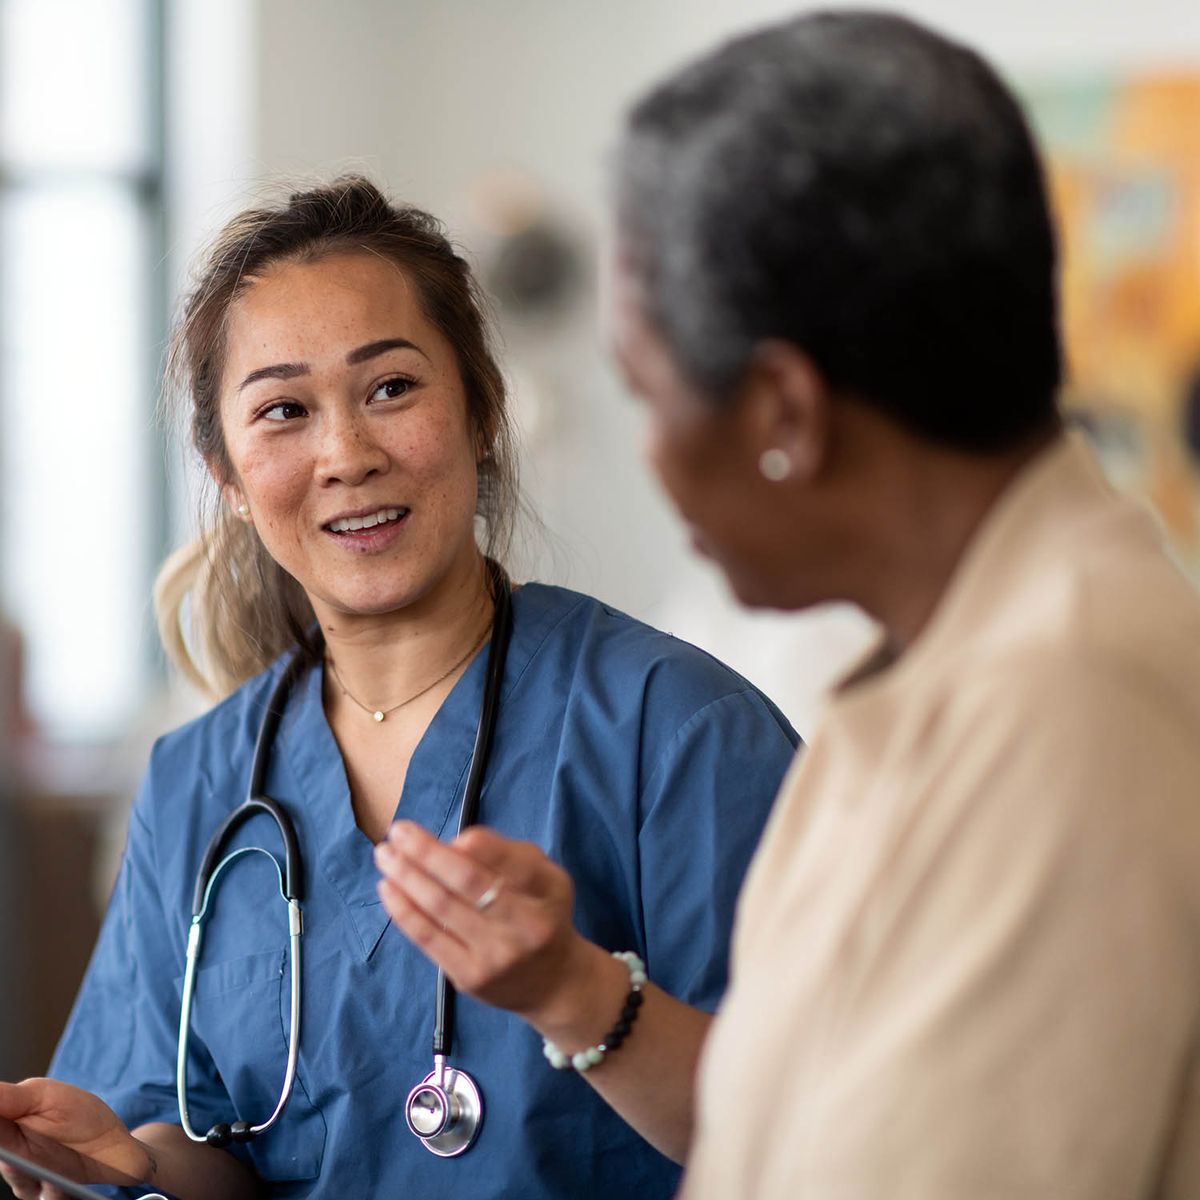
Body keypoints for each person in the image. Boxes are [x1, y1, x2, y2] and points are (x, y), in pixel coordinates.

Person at [0, 178, 798, 1200]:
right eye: (283, 411)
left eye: (391, 389)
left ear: (481, 411)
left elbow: (818, 1124)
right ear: (230, 478)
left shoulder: (680, 731)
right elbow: (219, 1148)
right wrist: (128, 1166)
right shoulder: (199, 782)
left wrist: (575, 995)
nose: (347, 455)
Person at [608, 11, 1200, 1199]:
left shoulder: (1063, 705)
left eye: (646, 388)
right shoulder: (946, 664)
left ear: (784, 412)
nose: (649, 456)